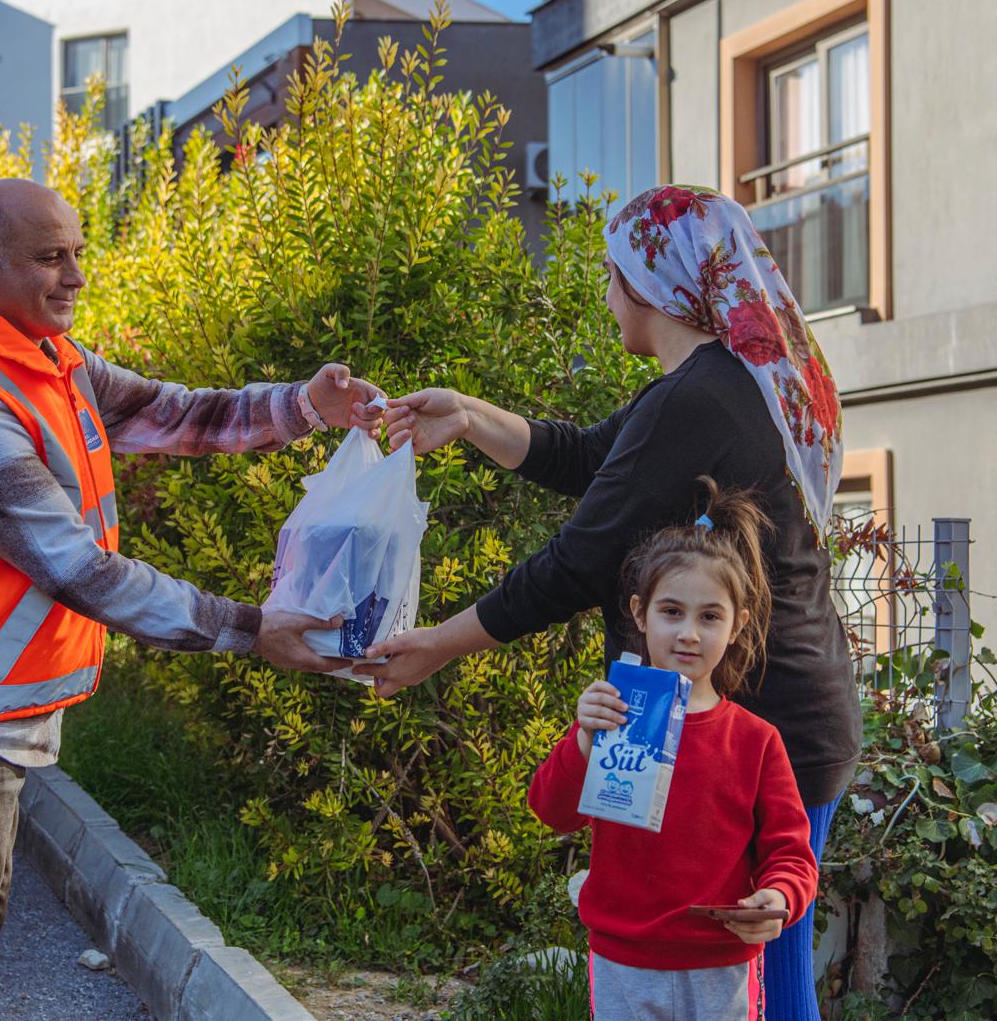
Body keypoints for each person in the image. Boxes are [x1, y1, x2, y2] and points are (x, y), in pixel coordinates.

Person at [0, 177, 384, 1021]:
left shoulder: (50, 362)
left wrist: (305, 406)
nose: (76, 277)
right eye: (51, 259)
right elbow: (78, 570)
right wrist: (248, 629)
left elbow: (180, 416)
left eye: (78, 254)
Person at [357, 185, 858, 1020]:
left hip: (762, 725)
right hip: (768, 708)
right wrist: (472, 416)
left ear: (654, 284)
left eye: (613, 275)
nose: (606, 294)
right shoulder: (723, 380)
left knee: (763, 981)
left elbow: (578, 563)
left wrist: (437, 643)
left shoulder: (702, 396)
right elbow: (594, 457)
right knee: (759, 977)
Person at [527, 478, 819, 1021]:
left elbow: (792, 855)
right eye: (671, 611)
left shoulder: (756, 741)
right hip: (622, 961)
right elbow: (552, 812)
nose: (689, 632)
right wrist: (584, 741)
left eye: (710, 616)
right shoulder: (612, 716)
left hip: (722, 964)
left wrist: (777, 899)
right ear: (639, 613)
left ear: (738, 626)